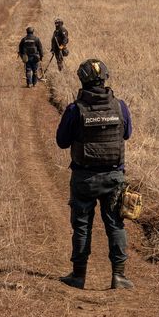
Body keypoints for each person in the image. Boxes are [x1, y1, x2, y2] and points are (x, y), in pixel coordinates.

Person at [55, 59, 134, 290]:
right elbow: (127, 134)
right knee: (116, 225)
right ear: (105, 78)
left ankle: (78, 276)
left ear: (82, 80)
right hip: (114, 177)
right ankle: (119, 276)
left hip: (84, 179)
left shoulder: (74, 109)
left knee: (81, 227)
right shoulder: (120, 106)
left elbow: (61, 142)